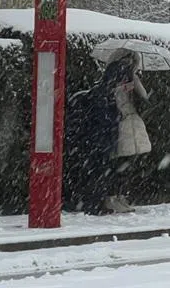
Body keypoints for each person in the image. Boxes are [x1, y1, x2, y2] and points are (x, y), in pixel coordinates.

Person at [64, 61, 123, 215]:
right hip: (97, 141)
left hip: (94, 141)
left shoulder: (101, 92)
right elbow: (104, 119)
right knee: (96, 173)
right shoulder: (103, 94)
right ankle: (94, 204)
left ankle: (91, 202)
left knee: (93, 173)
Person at [107, 51, 151, 213]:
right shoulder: (120, 78)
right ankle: (115, 196)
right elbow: (141, 97)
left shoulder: (122, 78)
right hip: (124, 122)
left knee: (125, 163)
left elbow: (142, 98)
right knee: (122, 163)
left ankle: (119, 196)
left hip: (127, 122)